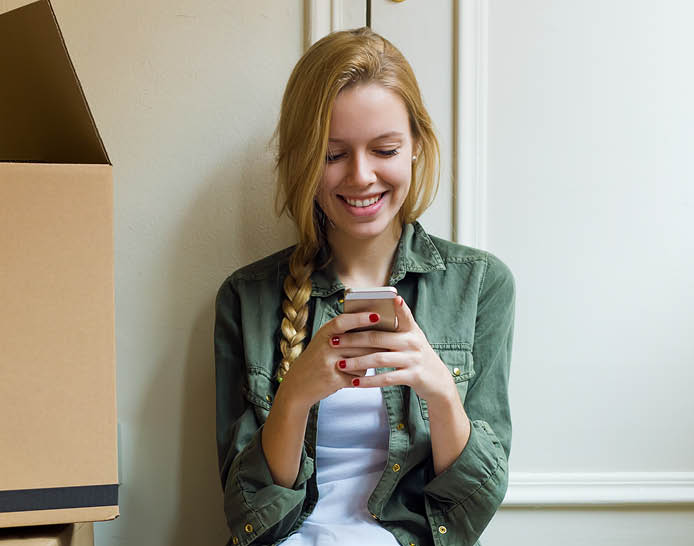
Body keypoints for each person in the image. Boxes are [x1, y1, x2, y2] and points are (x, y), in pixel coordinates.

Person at [214, 27, 515, 546]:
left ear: (416, 147)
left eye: (385, 149)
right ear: (306, 160)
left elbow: (472, 512)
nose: (361, 177)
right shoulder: (249, 297)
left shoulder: (480, 286)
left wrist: (440, 391)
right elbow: (248, 516)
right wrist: (294, 398)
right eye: (333, 156)